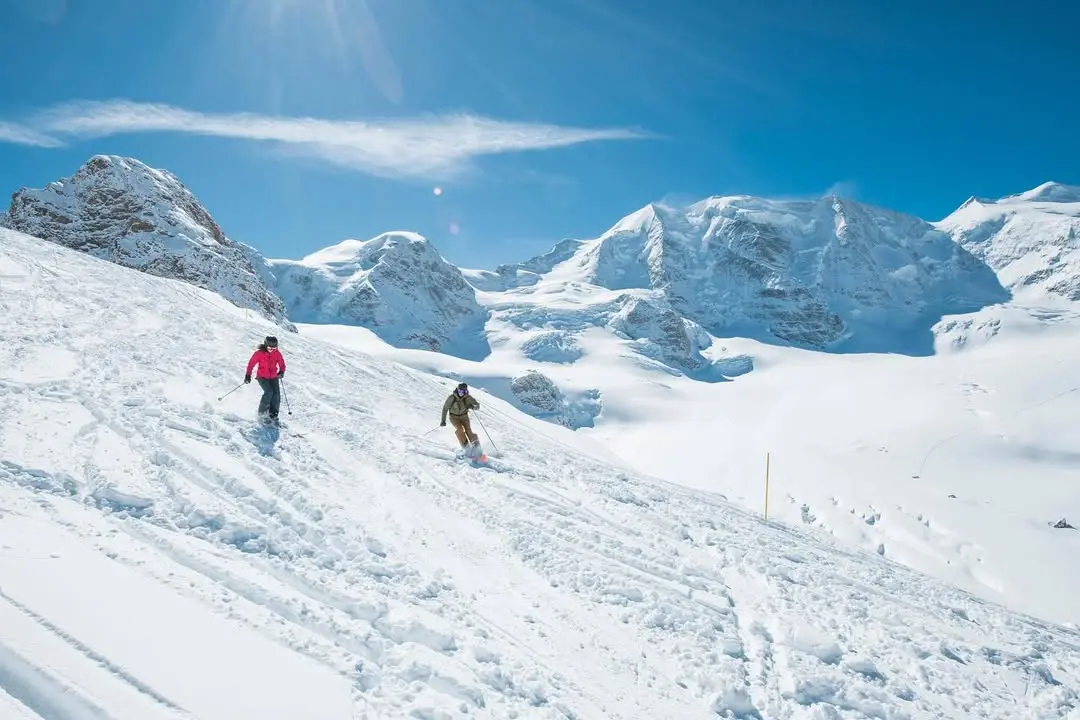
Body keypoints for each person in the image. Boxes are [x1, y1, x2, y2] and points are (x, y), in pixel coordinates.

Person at [244, 335, 286, 423]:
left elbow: (282, 364)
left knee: (276, 395)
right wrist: (248, 375)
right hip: (262, 377)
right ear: (265, 346)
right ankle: (262, 414)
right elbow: (251, 364)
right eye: (270, 348)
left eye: (274, 348)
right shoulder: (259, 353)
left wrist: (281, 372)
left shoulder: (277, 353)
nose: (272, 350)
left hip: (274, 376)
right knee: (269, 392)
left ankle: (273, 414)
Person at [441, 382, 480, 449]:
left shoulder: (468, 397)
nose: (461, 393)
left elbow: (476, 404)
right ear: (457, 390)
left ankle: (476, 445)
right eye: (459, 391)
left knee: (468, 430)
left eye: (463, 391)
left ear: (465, 391)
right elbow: (445, 408)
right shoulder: (451, 398)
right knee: (459, 429)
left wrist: (475, 407)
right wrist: (443, 420)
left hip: (464, 416)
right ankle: (465, 445)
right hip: (454, 417)